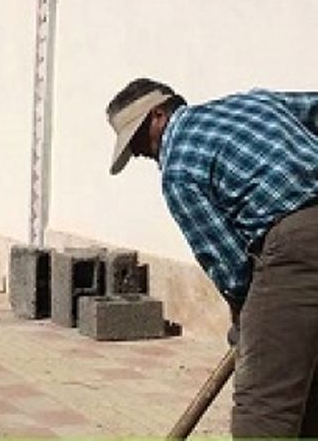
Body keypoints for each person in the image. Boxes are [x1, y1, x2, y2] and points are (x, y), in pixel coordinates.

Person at [106, 78, 318, 436]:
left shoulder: (178, 168)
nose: (140, 153)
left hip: (298, 246)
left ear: (158, 115)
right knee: (307, 386)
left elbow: (232, 270)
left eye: (138, 139)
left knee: (264, 409)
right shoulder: (254, 102)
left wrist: (246, 325)